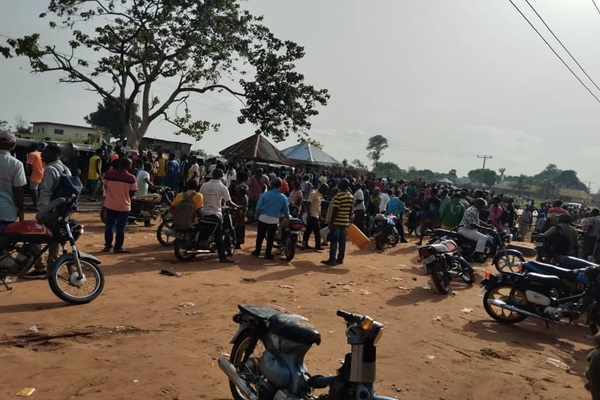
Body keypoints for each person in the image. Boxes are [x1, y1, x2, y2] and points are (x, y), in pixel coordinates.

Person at [199, 168, 238, 263]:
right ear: (221, 176)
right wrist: (238, 207)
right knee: (219, 236)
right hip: (216, 214)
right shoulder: (222, 187)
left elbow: (200, 197)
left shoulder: (204, 185)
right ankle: (222, 257)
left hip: (203, 213)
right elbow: (229, 202)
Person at [102, 157, 137, 253]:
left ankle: (107, 246)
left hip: (110, 204)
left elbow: (105, 186)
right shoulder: (131, 178)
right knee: (120, 227)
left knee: (109, 226)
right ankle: (118, 247)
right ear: (128, 166)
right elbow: (132, 192)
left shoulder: (109, 174)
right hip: (124, 206)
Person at [252, 178, 290, 260]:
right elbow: (286, 211)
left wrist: (256, 216)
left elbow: (258, 207)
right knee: (270, 238)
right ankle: (267, 254)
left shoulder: (264, 195)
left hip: (263, 218)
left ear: (271, 185)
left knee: (260, 236)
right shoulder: (283, 197)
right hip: (274, 220)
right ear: (280, 186)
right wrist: (288, 217)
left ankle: (257, 252)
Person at [322, 178, 354, 266]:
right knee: (342, 242)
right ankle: (340, 259)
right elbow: (350, 210)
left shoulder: (338, 196)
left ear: (340, 186)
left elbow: (335, 210)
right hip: (345, 222)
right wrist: (348, 219)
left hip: (337, 222)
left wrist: (331, 222)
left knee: (334, 240)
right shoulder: (351, 197)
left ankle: (332, 259)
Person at [0, 131, 26, 234]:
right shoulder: (16, 164)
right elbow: (18, 190)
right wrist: (21, 209)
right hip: (6, 211)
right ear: (12, 145)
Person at [458, 198, 493, 262]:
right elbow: (472, 225)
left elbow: (477, 220)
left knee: (484, 236)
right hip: (465, 230)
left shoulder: (475, 210)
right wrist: (486, 228)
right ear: (479, 205)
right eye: (482, 206)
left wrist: (487, 225)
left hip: (470, 229)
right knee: (483, 238)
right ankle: (477, 255)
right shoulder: (472, 211)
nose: (483, 208)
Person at [303, 184, 327, 251]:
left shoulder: (319, 195)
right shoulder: (313, 193)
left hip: (316, 215)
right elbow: (308, 203)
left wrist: (320, 216)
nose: (325, 192)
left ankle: (305, 243)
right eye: (324, 190)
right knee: (317, 231)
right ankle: (317, 245)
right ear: (321, 188)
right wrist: (308, 214)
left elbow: (318, 206)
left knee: (308, 230)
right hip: (312, 215)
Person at [26, 143, 44, 209]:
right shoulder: (41, 154)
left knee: (33, 189)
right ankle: (39, 204)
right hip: (43, 173)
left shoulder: (32, 154)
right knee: (40, 190)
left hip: (35, 173)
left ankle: (35, 205)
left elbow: (30, 166)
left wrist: (26, 174)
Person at [231, 183, 248, 249]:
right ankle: (237, 243)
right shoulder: (244, 197)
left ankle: (236, 243)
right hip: (240, 216)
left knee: (237, 229)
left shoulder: (242, 199)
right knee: (240, 230)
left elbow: (240, 208)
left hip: (238, 216)